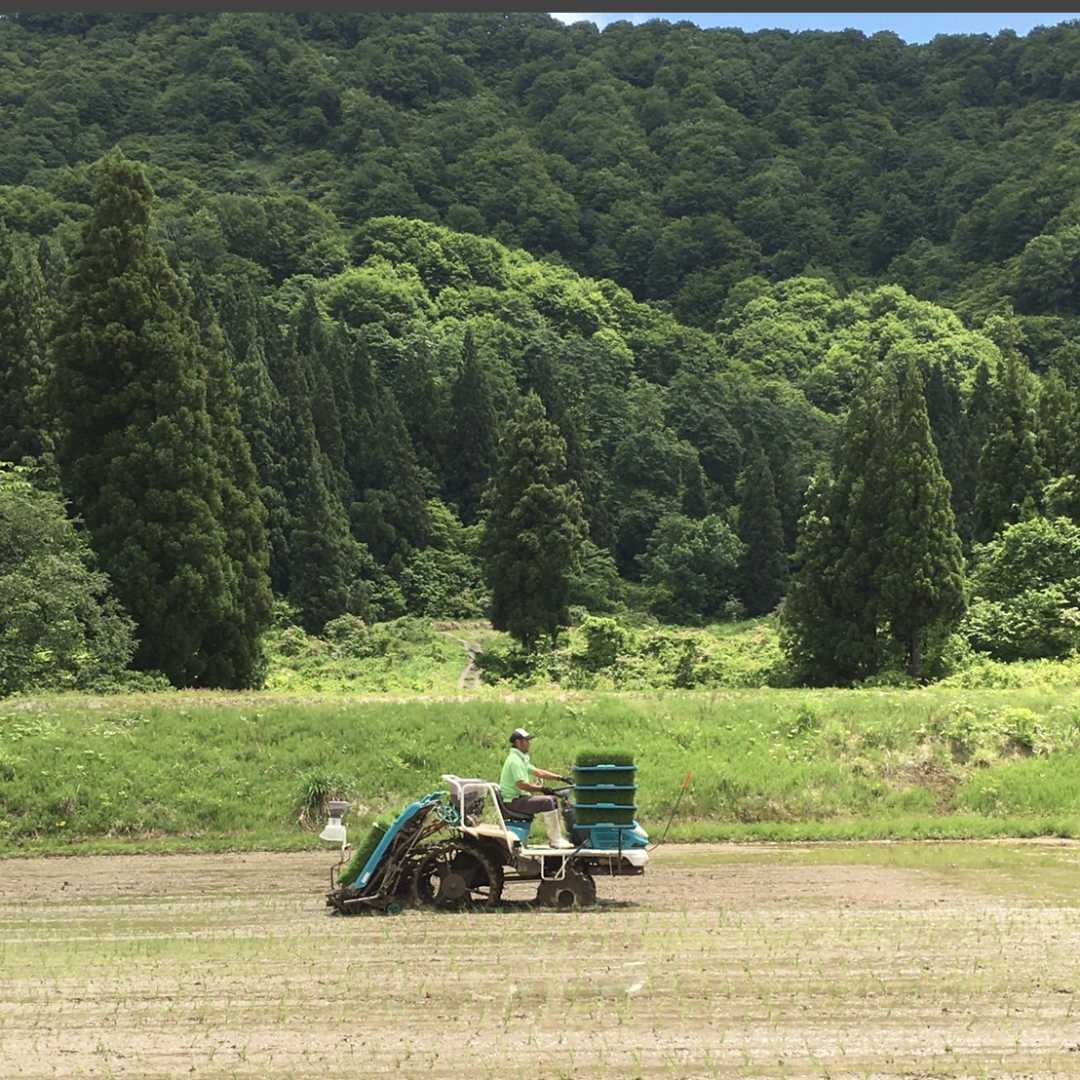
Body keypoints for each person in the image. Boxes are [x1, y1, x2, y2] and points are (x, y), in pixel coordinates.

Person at [499, 727, 574, 848]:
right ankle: (555, 841)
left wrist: (560, 778)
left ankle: (556, 839)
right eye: (526, 740)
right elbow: (521, 784)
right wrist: (542, 789)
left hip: (517, 800)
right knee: (548, 801)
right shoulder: (515, 761)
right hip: (513, 802)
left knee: (552, 800)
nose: (529, 743)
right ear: (518, 742)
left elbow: (538, 772)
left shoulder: (520, 759)